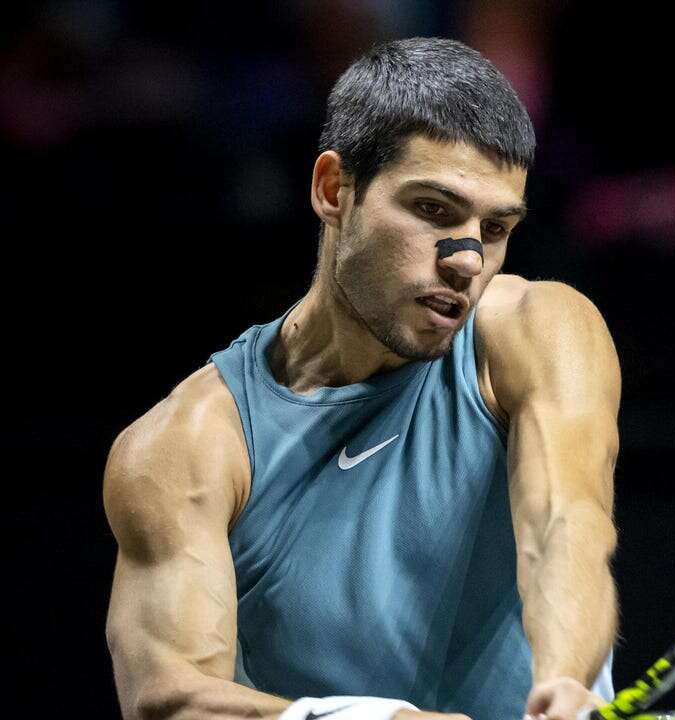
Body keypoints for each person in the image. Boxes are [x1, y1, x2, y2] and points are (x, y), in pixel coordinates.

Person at [103, 37, 620, 720]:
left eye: (493, 227)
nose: (467, 260)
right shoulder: (187, 445)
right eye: (434, 209)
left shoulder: (538, 329)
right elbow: (168, 697)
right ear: (333, 190)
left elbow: (565, 523)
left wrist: (561, 681)